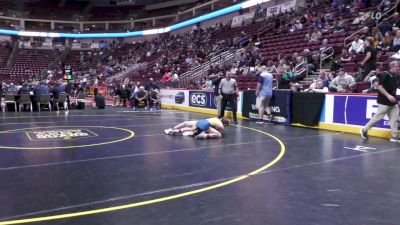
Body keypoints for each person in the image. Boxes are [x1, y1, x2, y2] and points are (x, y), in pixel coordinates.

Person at [361, 61, 400, 142]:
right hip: (384, 100)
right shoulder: (385, 74)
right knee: (378, 117)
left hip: (393, 101)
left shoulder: (396, 76)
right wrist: (388, 96)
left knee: (395, 118)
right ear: (392, 66)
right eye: (397, 66)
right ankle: (364, 129)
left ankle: (394, 136)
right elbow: (379, 87)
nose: (398, 68)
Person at [164, 117, 230, 139]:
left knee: (189, 128)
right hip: (205, 125)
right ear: (225, 124)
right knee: (219, 135)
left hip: (201, 121)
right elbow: (212, 130)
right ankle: (203, 136)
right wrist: (206, 133)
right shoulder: (222, 126)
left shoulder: (216, 118)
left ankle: (172, 130)